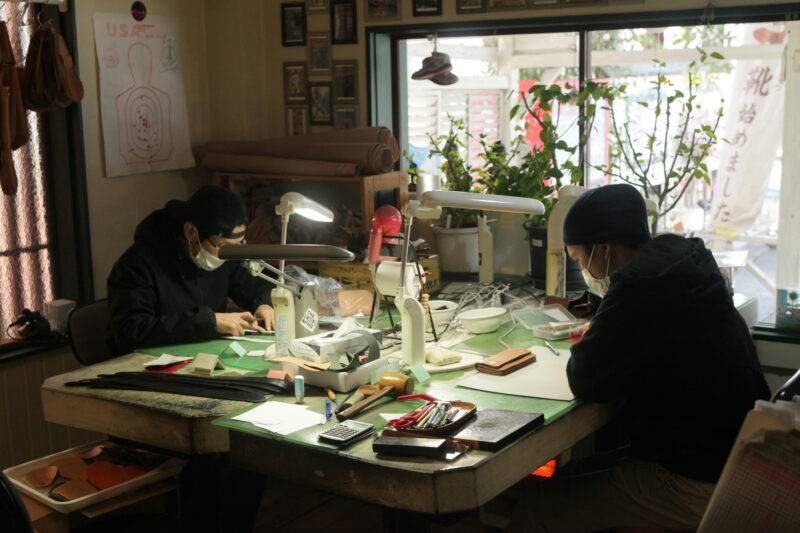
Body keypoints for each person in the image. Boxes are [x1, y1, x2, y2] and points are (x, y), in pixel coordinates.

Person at [507, 184, 769, 532]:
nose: (582, 268)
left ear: (603, 250)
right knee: (575, 473)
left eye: (579, 258)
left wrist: (598, 328)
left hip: (697, 484)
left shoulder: (637, 286)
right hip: (740, 464)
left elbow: (584, 379)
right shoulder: (682, 262)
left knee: (536, 508)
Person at [108, 185, 275, 355]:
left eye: (238, 245)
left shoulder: (223, 252)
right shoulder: (138, 264)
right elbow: (130, 332)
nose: (229, 255)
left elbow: (254, 284)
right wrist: (208, 322)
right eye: (223, 246)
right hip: (151, 362)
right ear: (191, 232)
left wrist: (264, 304)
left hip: (205, 355)